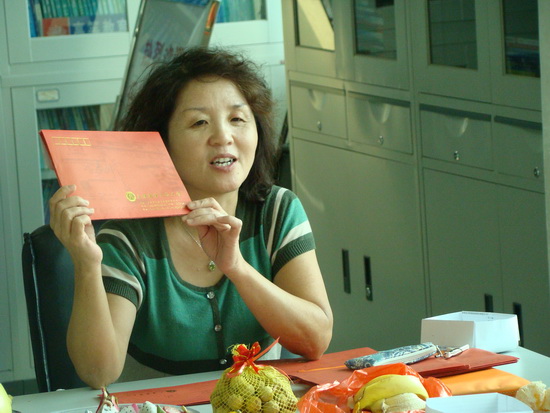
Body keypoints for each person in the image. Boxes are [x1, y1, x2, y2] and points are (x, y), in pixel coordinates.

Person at [48, 46, 333, 389]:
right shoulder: (129, 237)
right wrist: (86, 264)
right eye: (199, 122)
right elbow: (98, 373)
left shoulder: (277, 210)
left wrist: (237, 267)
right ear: (161, 142)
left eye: (237, 119)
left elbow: (315, 340)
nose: (223, 137)